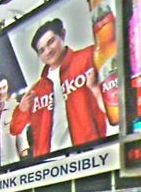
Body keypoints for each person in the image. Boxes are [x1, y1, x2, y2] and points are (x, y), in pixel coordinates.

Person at [10, 18, 107, 158]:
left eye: (50, 42)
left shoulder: (88, 58)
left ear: (63, 35)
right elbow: (15, 129)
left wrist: (97, 91)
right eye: (41, 50)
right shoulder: (37, 90)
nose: (48, 51)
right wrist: (22, 109)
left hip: (91, 156)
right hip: (49, 164)